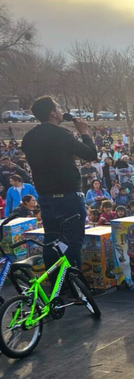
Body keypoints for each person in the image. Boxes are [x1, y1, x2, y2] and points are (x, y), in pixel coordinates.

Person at [22, 96, 97, 276]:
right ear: (53, 113)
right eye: (58, 106)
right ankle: (75, 287)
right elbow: (90, 154)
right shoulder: (62, 135)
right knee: (72, 242)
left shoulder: (28, 138)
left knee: (52, 239)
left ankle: (57, 285)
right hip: (68, 196)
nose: (62, 109)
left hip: (46, 197)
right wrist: (84, 133)